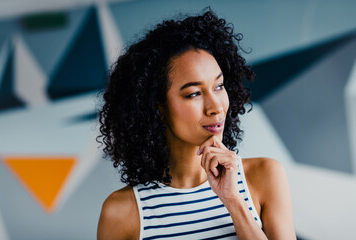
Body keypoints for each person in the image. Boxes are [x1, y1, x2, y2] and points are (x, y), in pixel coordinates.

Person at [97, 8, 296, 240]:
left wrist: (234, 202)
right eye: (193, 94)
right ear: (157, 107)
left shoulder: (265, 176)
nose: (216, 107)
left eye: (219, 86)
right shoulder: (121, 213)